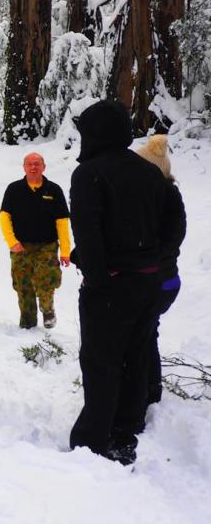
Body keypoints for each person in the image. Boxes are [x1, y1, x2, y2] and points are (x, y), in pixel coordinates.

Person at [67, 100, 184, 464]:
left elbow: (88, 235)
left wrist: (96, 278)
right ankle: (126, 429)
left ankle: (93, 440)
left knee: (101, 360)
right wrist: (152, 261)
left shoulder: (89, 174)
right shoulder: (149, 172)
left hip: (111, 284)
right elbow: (173, 227)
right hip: (148, 284)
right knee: (135, 355)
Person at [135, 135, 187, 407]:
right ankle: (149, 389)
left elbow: (168, 242)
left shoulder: (162, 199)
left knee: (143, 334)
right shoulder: (167, 195)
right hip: (165, 281)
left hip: (160, 282)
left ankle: (149, 391)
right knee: (147, 332)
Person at [0, 152, 71, 329]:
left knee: (45, 280)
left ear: (44, 167)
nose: (33, 167)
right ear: (24, 167)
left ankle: (47, 310)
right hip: (20, 247)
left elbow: (62, 222)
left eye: (37, 164)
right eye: (29, 164)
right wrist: (11, 242)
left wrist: (66, 251)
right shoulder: (14, 189)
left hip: (47, 246)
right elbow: (4, 217)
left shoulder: (53, 190)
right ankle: (28, 325)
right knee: (23, 286)